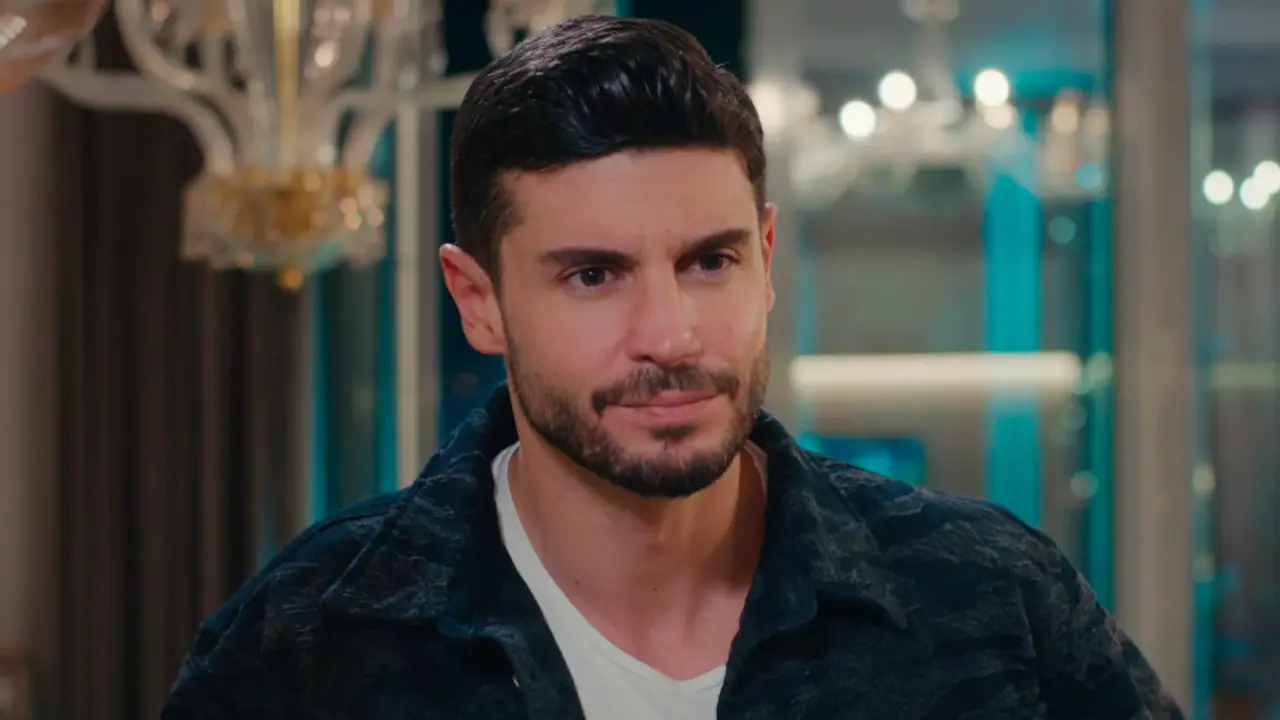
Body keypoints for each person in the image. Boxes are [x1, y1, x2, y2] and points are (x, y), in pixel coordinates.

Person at [163, 14, 1183, 720]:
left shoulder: (985, 597)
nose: (671, 334)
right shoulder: (308, 643)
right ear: (478, 302)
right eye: (593, 275)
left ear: (766, 258)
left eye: (709, 262)